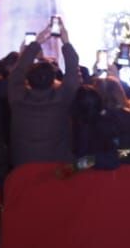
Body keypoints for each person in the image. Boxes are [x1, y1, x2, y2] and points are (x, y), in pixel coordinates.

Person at [7, 27, 82, 169]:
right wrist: (65, 41)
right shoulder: (62, 99)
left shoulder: (17, 99)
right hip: (56, 169)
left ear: (28, 79)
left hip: (23, 168)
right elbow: (73, 71)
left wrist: (35, 44)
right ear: (54, 79)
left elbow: (18, 72)